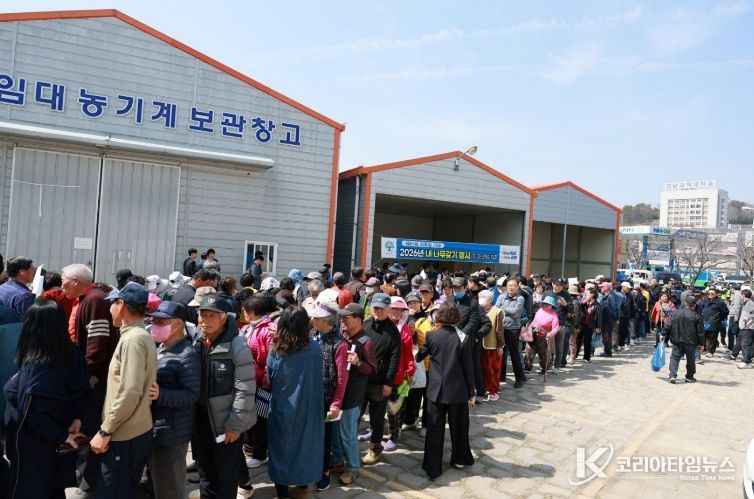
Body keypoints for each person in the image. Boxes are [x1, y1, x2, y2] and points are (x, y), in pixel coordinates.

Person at [3, 300, 88, 499]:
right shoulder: (72, 353)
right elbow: (82, 389)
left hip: (34, 449)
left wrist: (62, 436)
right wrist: (76, 419)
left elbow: (33, 414)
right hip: (61, 442)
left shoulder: (39, 364)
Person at [89, 282, 157, 498]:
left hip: (124, 434)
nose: (110, 309)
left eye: (112, 304)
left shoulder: (133, 339)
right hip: (133, 429)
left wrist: (105, 431)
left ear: (121, 305)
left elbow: (130, 391)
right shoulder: (137, 335)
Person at [61, 264, 120, 498]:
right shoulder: (88, 299)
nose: (62, 287)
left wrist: (88, 376)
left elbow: (97, 344)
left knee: (89, 426)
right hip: (89, 375)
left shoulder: (95, 300)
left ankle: (89, 482)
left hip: (94, 378)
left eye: (64, 282)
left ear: (76, 281)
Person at [193, 294, 256, 499]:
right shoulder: (198, 341)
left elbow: (245, 389)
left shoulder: (237, 345)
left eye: (212, 315)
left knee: (225, 478)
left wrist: (234, 426)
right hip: (202, 421)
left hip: (226, 424)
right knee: (205, 474)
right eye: (203, 315)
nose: (206, 320)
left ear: (223, 318)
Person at [267, 307, 325, 498]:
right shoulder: (315, 348)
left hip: (283, 407)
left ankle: (282, 493)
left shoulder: (276, 350)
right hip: (310, 408)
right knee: (306, 448)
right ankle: (302, 489)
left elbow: (270, 379)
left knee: (280, 450)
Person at [145, 302, 201, 499]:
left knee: (169, 489)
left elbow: (192, 395)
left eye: (160, 322)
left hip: (172, 432)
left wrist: (160, 395)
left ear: (177, 325)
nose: (154, 325)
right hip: (157, 428)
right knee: (158, 484)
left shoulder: (187, 355)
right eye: (153, 320)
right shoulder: (161, 347)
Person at [416, 301, 475, 481]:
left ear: (439, 315)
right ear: (457, 317)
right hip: (458, 390)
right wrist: (471, 392)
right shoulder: (463, 337)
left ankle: (432, 467)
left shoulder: (431, 335)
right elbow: (468, 368)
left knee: (434, 429)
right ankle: (459, 458)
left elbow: (420, 356)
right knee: (459, 427)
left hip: (435, 390)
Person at [330, 303, 377, 485]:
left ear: (358, 320)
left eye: (346, 318)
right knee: (335, 432)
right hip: (337, 395)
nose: (342, 321)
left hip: (352, 397)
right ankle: (338, 462)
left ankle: (353, 468)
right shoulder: (342, 336)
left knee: (348, 435)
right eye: (341, 317)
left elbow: (373, 370)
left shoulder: (366, 342)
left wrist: (358, 363)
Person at [310, 301, 349, 491]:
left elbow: (342, 378)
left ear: (326, 321)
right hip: (313, 396)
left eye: (316, 318)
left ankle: (324, 472)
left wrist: (336, 403)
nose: (312, 320)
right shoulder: (316, 337)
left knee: (325, 438)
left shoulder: (340, 344)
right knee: (314, 436)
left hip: (327, 399)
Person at [358, 293, 401, 465]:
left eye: (382, 308)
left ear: (388, 309)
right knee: (356, 414)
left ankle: (375, 448)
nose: (378, 311)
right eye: (375, 307)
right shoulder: (365, 325)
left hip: (380, 382)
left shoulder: (393, 332)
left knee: (377, 418)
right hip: (361, 379)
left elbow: (394, 359)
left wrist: (388, 383)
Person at [241, 292, 278, 469]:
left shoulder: (268, 329)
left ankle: (260, 453)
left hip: (262, 382)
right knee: (249, 414)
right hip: (248, 379)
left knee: (261, 419)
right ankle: (250, 448)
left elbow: (271, 359)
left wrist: (265, 381)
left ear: (253, 311)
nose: (243, 313)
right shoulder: (250, 327)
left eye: (245, 310)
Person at [383, 296, 416, 451]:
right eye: (393, 308)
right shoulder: (381, 324)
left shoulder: (405, 329)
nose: (396, 312)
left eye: (399, 309)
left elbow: (409, 354)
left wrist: (409, 371)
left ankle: (394, 435)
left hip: (398, 374)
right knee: (377, 405)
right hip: (380, 372)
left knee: (394, 406)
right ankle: (375, 430)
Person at [495, 278, 527, 388]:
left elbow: (516, 313)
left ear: (518, 287)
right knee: (501, 353)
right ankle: (501, 376)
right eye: (509, 285)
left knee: (514, 354)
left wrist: (503, 308)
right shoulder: (501, 296)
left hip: (513, 329)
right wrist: (507, 310)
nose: (510, 287)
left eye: (513, 285)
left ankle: (519, 378)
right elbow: (496, 309)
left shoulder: (520, 298)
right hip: (501, 328)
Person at [664, 295, 705, 383]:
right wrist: (702, 344)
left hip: (677, 340)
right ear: (694, 305)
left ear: (685, 303)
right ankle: (689, 377)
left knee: (675, 358)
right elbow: (700, 332)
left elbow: (668, 325)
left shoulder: (675, 313)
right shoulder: (697, 316)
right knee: (690, 360)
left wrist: (663, 334)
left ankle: (672, 375)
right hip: (691, 342)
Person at [478, 289, 504, 401]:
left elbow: (499, 331)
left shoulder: (498, 311)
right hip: (479, 344)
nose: (481, 300)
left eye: (484, 297)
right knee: (481, 368)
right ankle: (482, 388)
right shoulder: (477, 310)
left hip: (492, 345)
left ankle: (493, 390)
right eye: (480, 297)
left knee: (493, 369)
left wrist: (500, 345)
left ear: (490, 300)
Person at [525, 296, 560, 373]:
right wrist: (530, 329)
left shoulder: (554, 315)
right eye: (545, 303)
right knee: (529, 350)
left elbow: (556, 328)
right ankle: (527, 366)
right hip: (533, 333)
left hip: (544, 335)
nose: (546, 305)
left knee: (544, 353)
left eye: (548, 304)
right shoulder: (540, 310)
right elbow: (534, 321)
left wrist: (551, 333)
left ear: (552, 305)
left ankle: (544, 368)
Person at [699, 288, 729, 357]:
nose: (710, 295)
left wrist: (719, 318)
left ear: (716, 294)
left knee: (712, 337)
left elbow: (725, 312)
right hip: (705, 321)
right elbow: (701, 308)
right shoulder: (705, 300)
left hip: (714, 322)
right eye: (709, 293)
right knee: (704, 336)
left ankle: (710, 351)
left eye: (712, 293)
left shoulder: (720, 302)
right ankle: (704, 349)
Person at [577, 288, 601, 363]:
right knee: (578, 340)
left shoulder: (597, 305)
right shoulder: (584, 303)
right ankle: (575, 355)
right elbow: (579, 305)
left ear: (592, 294)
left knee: (587, 341)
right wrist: (585, 300)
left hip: (589, 325)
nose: (585, 295)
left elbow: (599, 317)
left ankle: (586, 357)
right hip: (581, 324)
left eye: (587, 294)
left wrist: (598, 327)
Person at [734, 289, 754, 368]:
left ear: (743, 295)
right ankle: (747, 360)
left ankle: (746, 361)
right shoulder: (745, 303)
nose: (740, 297)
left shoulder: (750, 303)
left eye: (741, 295)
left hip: (748, 328)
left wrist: (747, 318)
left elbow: (753, 313)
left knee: (745, 345)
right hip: (743, 327)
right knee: (743, 344)